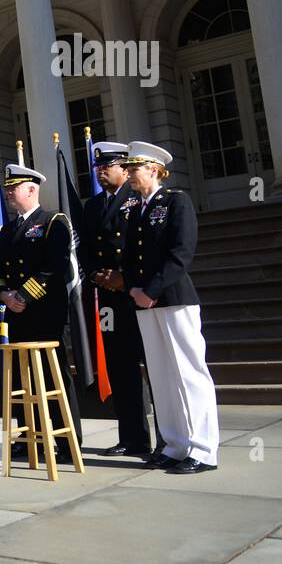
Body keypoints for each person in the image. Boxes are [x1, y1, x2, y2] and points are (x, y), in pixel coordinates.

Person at [121, 142, 218, 474]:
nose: (129, 174)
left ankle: (202, 450)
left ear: (153, 169)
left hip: (174, 298)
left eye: (134, 168)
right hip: (144, 302)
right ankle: (175, 445)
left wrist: (150, 290)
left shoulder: (176, 201)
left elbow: (181, 252)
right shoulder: (136, 209)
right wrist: (133, 288)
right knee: (161, 376)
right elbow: (129, 257)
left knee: (189, 373)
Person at [0, 164, 83, 460]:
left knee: (53, 377)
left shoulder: (53, 221)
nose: (7, 193)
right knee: (22, 378)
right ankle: (30, 437)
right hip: (17, 314)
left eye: (13, 188)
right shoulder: (8, 230)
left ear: (31, 189)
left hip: (45, 313)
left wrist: (24, 296)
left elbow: (54, 268)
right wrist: (5, 295)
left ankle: (67, 443)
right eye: (7, 188)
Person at [80, 141, 151, 457]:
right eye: (97, 167)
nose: (100, 171)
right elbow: (85, 249)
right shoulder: (92, 206)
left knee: (152, 366)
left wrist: (126, 278)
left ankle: (165, 439)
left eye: (106, 166)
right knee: (120, 369)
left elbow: (146, 246)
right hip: (108, 297)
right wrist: (96, 275)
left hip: (136, 293)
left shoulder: (138, 199)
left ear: (124, 168)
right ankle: (131, 437)